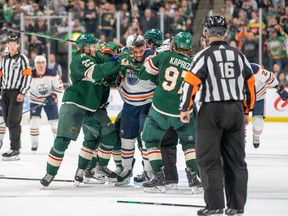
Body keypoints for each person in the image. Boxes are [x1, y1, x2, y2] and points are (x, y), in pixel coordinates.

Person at [180, 16, 256, 215]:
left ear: (207, 32)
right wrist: (247, 110)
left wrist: (185, 109)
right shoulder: (238, 55)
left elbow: (190, 83)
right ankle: (237, 206)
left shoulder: (204, 55)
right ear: (226, 32)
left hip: (211, 112)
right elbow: (250, 85)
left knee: (208, 159)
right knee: (236, 160)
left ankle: (215, 206)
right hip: (235, 110)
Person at [40, 33, 123, 188]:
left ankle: (97, 167)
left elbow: (106, 60)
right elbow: (98, 72)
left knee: (109, 134)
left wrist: (113, 52)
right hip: (75, 104)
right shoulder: (80, 59)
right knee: (62, 140)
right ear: (84, 47)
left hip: (93, 108)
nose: (95, 48)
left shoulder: (96, 56)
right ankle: (50, 172)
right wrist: (119, 60)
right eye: (92, 46)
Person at [136, 32, 201, 193]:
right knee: (189, 144)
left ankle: (158, 177)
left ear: (173, 45)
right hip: (183, 110)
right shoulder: (194, 64)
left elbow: (143, 74)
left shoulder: (164, 57)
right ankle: (194, 178)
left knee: (150, 140)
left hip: (160, 110)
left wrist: (147, 62)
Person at [115, 34, 156, 185]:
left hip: (147, 104)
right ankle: (126, 171)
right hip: (129, 106)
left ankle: (148, 171)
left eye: (141, 51)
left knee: (146, 139)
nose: (139, 54)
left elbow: (153, 57)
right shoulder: (125, 57)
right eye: (135, 52)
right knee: (126, 140)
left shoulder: (151, 56)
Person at [0, 34, 32, 161]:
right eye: (10, 43)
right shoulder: (3, 59)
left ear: (18, 45)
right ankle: (15, 146)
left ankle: (15, 149)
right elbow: (1, 75)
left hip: (16, 92)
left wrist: (23, 92)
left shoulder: (22, 58)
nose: (12, 45)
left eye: (14, 43)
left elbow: (27, 76)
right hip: (5, 93)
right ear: (7, 44)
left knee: (13, 121)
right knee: (8, 121)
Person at [29, 55, 64, 151]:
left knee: (55, 123)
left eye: (42, 62)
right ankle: (34, 143)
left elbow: (60, 88)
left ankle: (58, 143)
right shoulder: (29, 74)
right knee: (34, 122)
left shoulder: (53, 73)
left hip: (50, 101)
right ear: (35, 64)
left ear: (46, 63)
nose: (41, 65)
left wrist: (52, 96)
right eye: (38, 63)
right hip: (35, 101)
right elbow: (22, 85)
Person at [249, 63, 288, 148]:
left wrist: (280, 89)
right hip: (243, 99)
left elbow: (271, 78)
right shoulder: (234, 70)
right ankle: (240, 138)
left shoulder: (255, 70)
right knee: (238, 121)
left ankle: (256, 135)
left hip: (258, 98)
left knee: (258, 123)